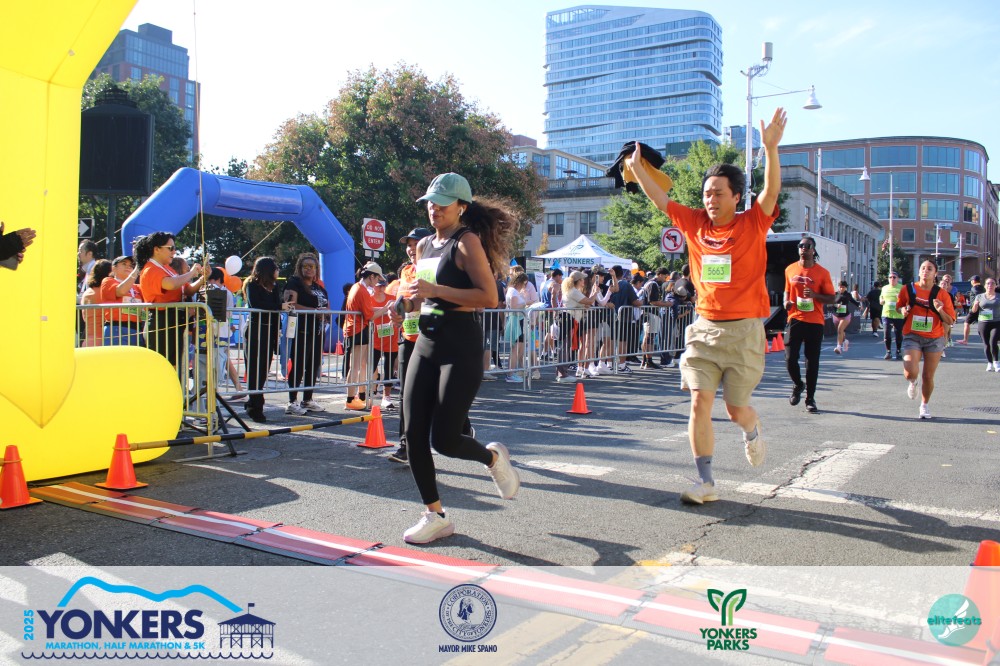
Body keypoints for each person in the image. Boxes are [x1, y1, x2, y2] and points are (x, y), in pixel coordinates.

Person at [626, 107, 787, 505]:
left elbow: (770, 192)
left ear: (736, 196)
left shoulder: (753, 222)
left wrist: (770, 149)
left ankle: (751, 428)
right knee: (699, 402)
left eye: (718, 193)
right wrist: (638, 169)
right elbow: (660, 199)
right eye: (706, 193)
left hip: (744, 332)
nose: (710, 199)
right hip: (703, 329)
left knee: (735, 410)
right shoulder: (694, 223)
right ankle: (706, 482)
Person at [397, 172, 520, 544]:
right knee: (411, 432)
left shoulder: (466, 242)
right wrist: (403, 304)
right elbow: (421, 297)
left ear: (461, 207)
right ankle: (434, 515)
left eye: (442, 203)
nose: (434, 209)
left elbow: (489, 297)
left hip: (460, 345)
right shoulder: (424, 246)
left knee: (446, 440)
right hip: (426, 341)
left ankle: (493, 459)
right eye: (430, 203)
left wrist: (436, 290)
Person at [135, 232, 204, 370]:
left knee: (173, 364)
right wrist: (191, 273)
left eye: (174, 248)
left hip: (173, 320)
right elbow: (171, 284)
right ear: (156, 249)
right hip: (161, 320)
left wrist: (203, 278)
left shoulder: (167, 268)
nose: (174, 252)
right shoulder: (150, 269)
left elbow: (187, 290)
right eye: (170, 248)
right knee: (164, 365)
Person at [897, 259, 955, 419]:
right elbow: (899, 306)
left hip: (934, 338)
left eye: (930, 269)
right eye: (923, 268)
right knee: (910, 371)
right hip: (912, 335)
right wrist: (903, 310)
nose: (925, 271)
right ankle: (913, 382)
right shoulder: (907, 289)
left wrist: (940, 310)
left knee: (928, 376)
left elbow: (950, 320)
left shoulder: (942, 294)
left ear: (935, 273)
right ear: (919, 271)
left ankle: (924, 405)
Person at [782, 236, 835, 413]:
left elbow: (832, 298)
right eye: (801, 245)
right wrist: (785, 302)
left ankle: (810, 398)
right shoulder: (790, 269)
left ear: (813, 250)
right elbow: (787, 291)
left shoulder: (822, 273)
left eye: (807, 245)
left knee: (812, 362)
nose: (803, 248)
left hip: (815, 321)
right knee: (790, 358)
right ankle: (798, 384)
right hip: (795, 319)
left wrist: (814, 295)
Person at [283, 252, 329, 415]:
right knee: (298, 365)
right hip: (301, 330)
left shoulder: (319, 288)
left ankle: (307, 399)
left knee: (313, 365)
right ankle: (292, 401)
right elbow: (290, 304)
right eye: (305, 266)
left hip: (318, 331)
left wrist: (325, 314)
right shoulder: (294, 283)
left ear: (317, 269)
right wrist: (313, 311)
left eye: (312, 266)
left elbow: (327, 306)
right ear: (300, 268)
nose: (309, 269)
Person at [242, 257, 287, 423]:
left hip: (269, 331)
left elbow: (276, 305)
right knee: (254, 369)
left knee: (263, 370)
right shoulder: (251, 284)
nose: (278, 270)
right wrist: (279, 307)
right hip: (255, 330)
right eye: (275, 267)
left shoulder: (274, 286)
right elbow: (256, 304)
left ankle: (253, 402)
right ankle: (255, 406)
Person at [342, 261, 391, 410]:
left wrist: (384, 307)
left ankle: (360, 396)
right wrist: (386, 308)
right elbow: (370, 316)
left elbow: (367, 310)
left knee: (360, 365)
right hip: (357, 329)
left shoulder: (358, 287)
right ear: (371, 276)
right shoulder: (361, 290)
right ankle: (351, 399)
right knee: (356, 365)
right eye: (377, 279)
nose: (377, 283)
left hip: (357, 328)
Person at [369, 276, 399, 409]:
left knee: (389, 368)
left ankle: (386, 396)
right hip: (375, 338)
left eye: (383, 285)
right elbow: (368, 312)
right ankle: (365, 392)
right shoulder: (369, 298)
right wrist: (383, 309)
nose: (381, 288)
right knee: (371, 367)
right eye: (379, 285)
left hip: (391, 338)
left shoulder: (392, 298)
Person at [100, 255, 143, 346]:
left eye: (131, 266)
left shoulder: (137, 287)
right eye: (124, 264)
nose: (128, 267)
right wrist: (135, 271)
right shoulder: (108, 281)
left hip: (137, 330)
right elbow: (121, 291)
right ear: (114, 268)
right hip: (116, 329)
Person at [80, 260, 112, 348]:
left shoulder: (87, 293)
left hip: (88, 341)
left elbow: (84, 317)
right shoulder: (105, 292)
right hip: (104, 340)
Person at [970, 277, 1000, 371]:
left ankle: (996, 362)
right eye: (988, 283)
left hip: (996, 322)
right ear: (985, 286)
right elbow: (973, 311)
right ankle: (989, 363)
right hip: (983, 322)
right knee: (986, 344)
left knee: (993, 341)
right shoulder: (979, 296)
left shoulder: (999, 296)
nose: (990, 285)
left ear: (995, 285)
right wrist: (975, 305)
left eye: (992, 283)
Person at [879, 272, 905, 360]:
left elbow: (906, 300)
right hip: (887, 314)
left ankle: (898, 351)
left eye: (894, 277)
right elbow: (881, 297)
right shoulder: (884, 288)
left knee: (898, 334)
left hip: (898, 314)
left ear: (898, 279)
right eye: (890, 277)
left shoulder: (902, 288)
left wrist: (900, 298)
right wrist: (881, 301)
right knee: (887, 333)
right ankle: (888, 352)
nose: (892, 279)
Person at [832, 280, 861, 354]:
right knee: (840, 331)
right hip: (836, 315)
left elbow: (853, 301)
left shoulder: (848, 295)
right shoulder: (835, 294)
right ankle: (845, 341)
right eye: (840, 287)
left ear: (846, 288)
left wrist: (859, 305)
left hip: (845, 316)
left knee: (840, 330)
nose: (841, 288)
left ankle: (838, 347)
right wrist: (836, 305)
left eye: (843, 287)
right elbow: (830, 303)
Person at [960, 275, 986, 345]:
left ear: (973, 281)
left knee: (966, 323)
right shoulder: (983, 287)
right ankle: (987, 339)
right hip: (982, 309)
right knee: (984, 324)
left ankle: (965, 339)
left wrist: (976, 303)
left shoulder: (975, 288)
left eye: (971, 281)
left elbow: (978, 295)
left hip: (975, 309)